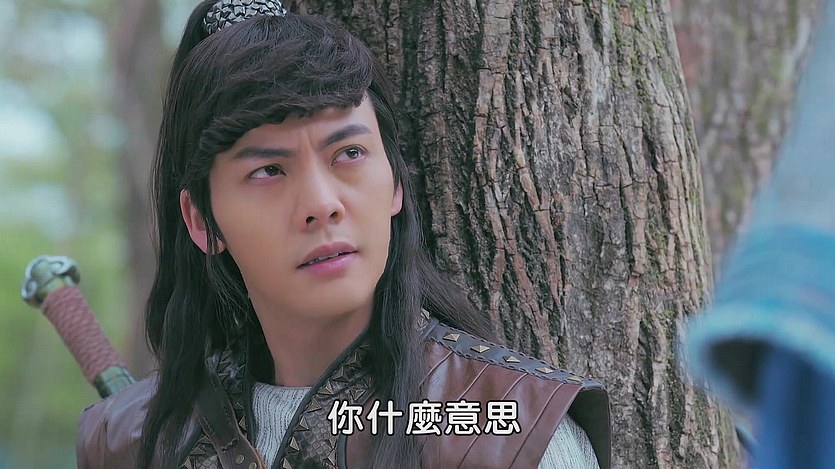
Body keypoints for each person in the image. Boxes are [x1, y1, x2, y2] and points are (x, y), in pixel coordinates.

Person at [76, 1, 611, 467]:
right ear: (201, 221)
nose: (321, 204)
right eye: (268, 171)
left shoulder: (512, 433)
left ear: (395, 184)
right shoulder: (129, 441)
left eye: (349, 153)